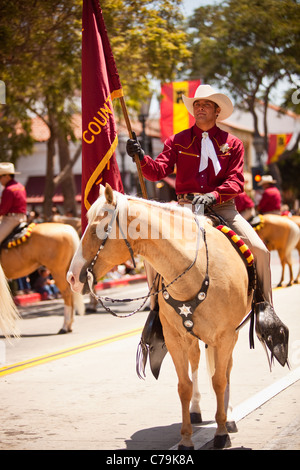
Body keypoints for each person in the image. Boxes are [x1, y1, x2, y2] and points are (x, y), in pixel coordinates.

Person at [126, 84, 274, 305]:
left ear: (217, 111)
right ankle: (155, 314)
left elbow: (236, 180)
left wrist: (214, 196)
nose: (200, 107)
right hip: (185, 208)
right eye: (197, 104)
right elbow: (157, 172)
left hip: (222, 208)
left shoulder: (233, 144)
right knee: (152, 253)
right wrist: (141, 157)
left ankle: (265, 308)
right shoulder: (177, 140)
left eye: (206, 104)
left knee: (260, 250)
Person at [0, 162, 27, 244]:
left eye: (0, 177)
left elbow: (3, 209)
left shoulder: (9, 189)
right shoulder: (21, 187)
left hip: (10, 220)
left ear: (7, 176)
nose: (0, 180)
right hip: (23, 219)